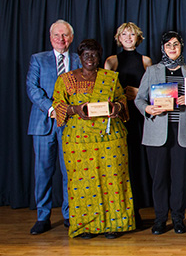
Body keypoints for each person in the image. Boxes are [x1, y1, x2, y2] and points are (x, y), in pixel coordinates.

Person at [52, 39, 134, 239]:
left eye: (94, 54)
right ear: (79, 57)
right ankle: (85, 225)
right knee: (82, 181)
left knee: (113, 178)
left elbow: (121, 100)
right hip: (78, 140)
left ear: (100, 56)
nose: (90, 58)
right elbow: (58, 105)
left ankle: (116, 225)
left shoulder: (110, 77)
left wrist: (117, 108)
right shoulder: (66, 79)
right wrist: (75, 109)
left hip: (110, 137)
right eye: (86, 54)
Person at [135, 31, 186, 235]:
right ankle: (160, 219)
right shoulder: (152, 71)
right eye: (168, 45)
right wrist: (147, 109)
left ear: (182, 46)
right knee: (159, 178)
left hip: (182, 132)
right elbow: (139, 99)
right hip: (157, 132)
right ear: (162, 48)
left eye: (176, 44)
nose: (172, 48)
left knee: (179, 178)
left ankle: (179, 219)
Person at [26, 20, 80, 235]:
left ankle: (69, 215)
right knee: (43, 172)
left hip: (71, 124)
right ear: (50, 37)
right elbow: (32, 88)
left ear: (71, 38)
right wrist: (52, 109)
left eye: (65, 35)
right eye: (57, 35)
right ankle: (43, 216)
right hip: (43, 124)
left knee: (70, 172)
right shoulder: (38, 59)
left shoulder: (78, 60)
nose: (61, 39)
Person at [104, 22, 153, 226]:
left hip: (141, 116)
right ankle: (126, 209)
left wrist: (139, 94)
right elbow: (106, 90)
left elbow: (154, 89)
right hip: (120, 117)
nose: (128, 37)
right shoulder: (111, 60)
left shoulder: (146, 60)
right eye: (124, 34)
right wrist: (122, 95)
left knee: (140, 162)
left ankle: (141, 207)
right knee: (123, 163)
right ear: (118, 37)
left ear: (138, 37)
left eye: (132, 34)